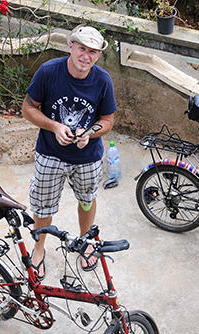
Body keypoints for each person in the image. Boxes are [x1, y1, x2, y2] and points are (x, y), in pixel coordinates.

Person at [21, 25, 116, 279]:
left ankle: (86, 242)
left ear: (98, 55)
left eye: (93, 52)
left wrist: (89, 133)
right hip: (51, 154)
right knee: (43, 205)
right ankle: (39, 248)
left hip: (88, 158)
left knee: (87, 199)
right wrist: (55, 127)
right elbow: (28, 108)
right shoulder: (49, 71)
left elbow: (108, 119)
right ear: (71, 46)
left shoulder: (102, 80)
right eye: (82, 49)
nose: (86, 56)